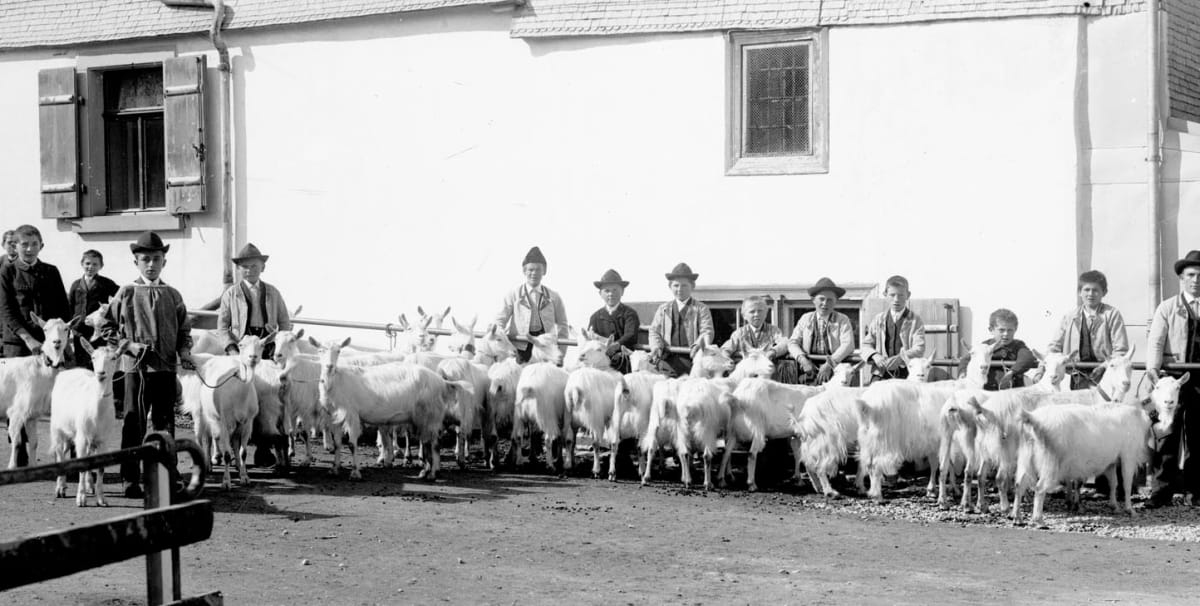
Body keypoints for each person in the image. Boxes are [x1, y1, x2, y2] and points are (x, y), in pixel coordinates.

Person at [102, 231, 193, 499]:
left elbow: (184, 331)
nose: (151, 264)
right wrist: (128, 345)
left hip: (165, 370)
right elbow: (107, 327)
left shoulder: (173, 295)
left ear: (164, 261)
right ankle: (130, 478)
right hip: (136, 371)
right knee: (134, 424)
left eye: (156, 259)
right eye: (145, 260)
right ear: (136, 262)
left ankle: (166, 476)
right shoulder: (126, 292)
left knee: (165, 426)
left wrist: (184, 351)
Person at [0, 224, 70, 466]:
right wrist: (28, 338)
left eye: (34, 244)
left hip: (50, 347)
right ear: (15, 246)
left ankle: (66, 460)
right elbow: (7, 311)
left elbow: (63, 309)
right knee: (18, 401)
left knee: (49, 399)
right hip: (18, 346)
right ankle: (18, 458)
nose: (29, 249)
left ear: (42, 246)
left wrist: (58, 340)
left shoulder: (51, 272)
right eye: (24, 245)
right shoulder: (7, 272)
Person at [217, 243, 292, 467]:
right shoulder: (231, 294)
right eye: (245, 267)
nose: (249, 270)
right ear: (239, 269)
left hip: (266, 351)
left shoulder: (273, 293)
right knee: (241, 398)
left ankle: (265, 449)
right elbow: (222, 326)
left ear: (262, 268)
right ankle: (233, 451)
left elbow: (285, 323)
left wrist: (277, 340)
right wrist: (231, 349)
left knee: (268, 400)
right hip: (242, 352)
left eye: (254, 266)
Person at [1145, 250, 1200, 508]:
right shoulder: (1167, 308)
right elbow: (1156, 342)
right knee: (1166, 435)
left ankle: (1195, 493)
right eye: (1191, 275)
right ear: (1181, 278)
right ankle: (1161, 493)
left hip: (1199, 381)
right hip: (1173, 380)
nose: (1196, 280)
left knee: (1198, 437)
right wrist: (1153, 370)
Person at [1047, 270, 1129, 390]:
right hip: (1077, 376)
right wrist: (1042, 370)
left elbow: (1121, 350)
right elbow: (1054, 347)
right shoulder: (1070, 317)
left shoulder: (1112, 314)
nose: (1090, 294)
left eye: (1095, 290)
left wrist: (1104, 366)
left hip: (1106, 375)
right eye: (1086, 290)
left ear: (1104, 292)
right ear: (1079, 292)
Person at [496, 246, 568, 363]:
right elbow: (500, 321)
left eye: (538, 269)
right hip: (520, 347)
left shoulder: (554, 297)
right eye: (530, 270)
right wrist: (500, 339)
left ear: (544, 271)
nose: (534, 273)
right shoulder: (513, 295)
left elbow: (562, 325)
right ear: (524, 271)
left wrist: (561, 353)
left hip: (545, 349)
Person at [648, 263, 714, 378]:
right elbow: (654, 331)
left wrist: (698, 345)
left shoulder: (701, 309)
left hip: (692, 360)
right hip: (667, 360)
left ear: (692, 286)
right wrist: (656, 347)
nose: (680, 289)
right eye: (676, 285)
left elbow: (707, 331)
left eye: (684, 285)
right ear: (670, 286)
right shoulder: (663, 309)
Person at [788, 278, 855, 385]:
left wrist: (829, 364)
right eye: (821, 299)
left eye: (830, 300)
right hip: (809, 369)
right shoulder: (806, 318)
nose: (825, 303)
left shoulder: (842, 320)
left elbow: (848, 345)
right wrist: (803, 360)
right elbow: (792, 342)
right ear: (813, 300)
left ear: (835, 301)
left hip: (835, 370)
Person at [861, 275, 926, 381]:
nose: (896, 299)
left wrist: (901, 358)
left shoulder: (915, 321)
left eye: (901, 295)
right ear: (885, 295)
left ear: (908, 295)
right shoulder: (878, 319)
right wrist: (875, 355)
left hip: (906, 374)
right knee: (873, 391)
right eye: (892, 295)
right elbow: (866, 345)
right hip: (881, 373)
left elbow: (919, 348)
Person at [67, 249, 120, 369]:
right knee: (81, 362)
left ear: (101, 266)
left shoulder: (106, 284)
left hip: (99, 332)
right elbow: (70, 307)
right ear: (82, 264)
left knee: (99, 362)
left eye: (95, 264)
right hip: (80, 332)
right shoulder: (76, 285)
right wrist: (71, 327)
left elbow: (119, 298)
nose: (90, 267)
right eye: (87, 263)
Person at [720, 295, 793, 381]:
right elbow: (725, 349)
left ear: (766, 313)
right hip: (745, 377)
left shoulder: (773, 331)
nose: (756, 314)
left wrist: (772, 352)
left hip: (766, 377)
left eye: (760, 311)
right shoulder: (739, 333)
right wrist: (727, 360)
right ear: (744, 315)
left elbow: (785, 343)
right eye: (752, 312)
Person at [586, 269, 640, 374]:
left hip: (624, 364)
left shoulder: (630, 314)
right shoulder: (595, 317)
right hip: (601, 365)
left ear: (622, 291)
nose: (611, 294)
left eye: (615, 290)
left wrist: (616, 345)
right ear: (600, 293)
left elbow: (631, 335)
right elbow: (591, 340)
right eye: (607, 291)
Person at [981, 308, 1037, 391]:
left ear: (1015, 329)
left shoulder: (1018, 346)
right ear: (991, 330)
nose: (1006, 334)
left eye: (1010, 330)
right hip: (989, 393)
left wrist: (1011, 372)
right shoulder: (984, 347)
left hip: (1014, 393)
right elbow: (967, 360)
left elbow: (1027, 358)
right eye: (1001, 330)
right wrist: (962, 372)